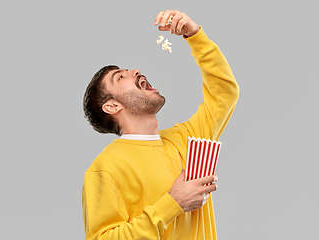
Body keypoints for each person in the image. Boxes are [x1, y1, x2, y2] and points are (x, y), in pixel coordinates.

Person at [82, 10, 240, 240]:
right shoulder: (106, 168)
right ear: (112, 106)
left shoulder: (187, 138)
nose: (135, 71)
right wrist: (173, 203)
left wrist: (195, 35)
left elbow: (224, 95)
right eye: (121, 77)